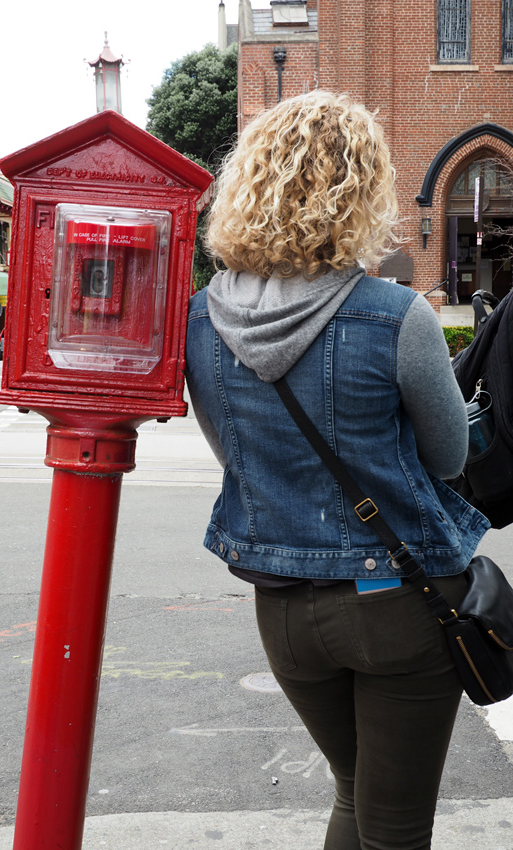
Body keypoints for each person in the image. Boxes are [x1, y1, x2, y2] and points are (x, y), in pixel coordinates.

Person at [185, 90, 489, 850]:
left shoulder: (198, 319)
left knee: (355, 796)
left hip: (283, 610)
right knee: (395, 823)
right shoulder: (396, 314)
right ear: (360, 192)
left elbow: (237, 459)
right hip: (399, 603)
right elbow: (448, 458)